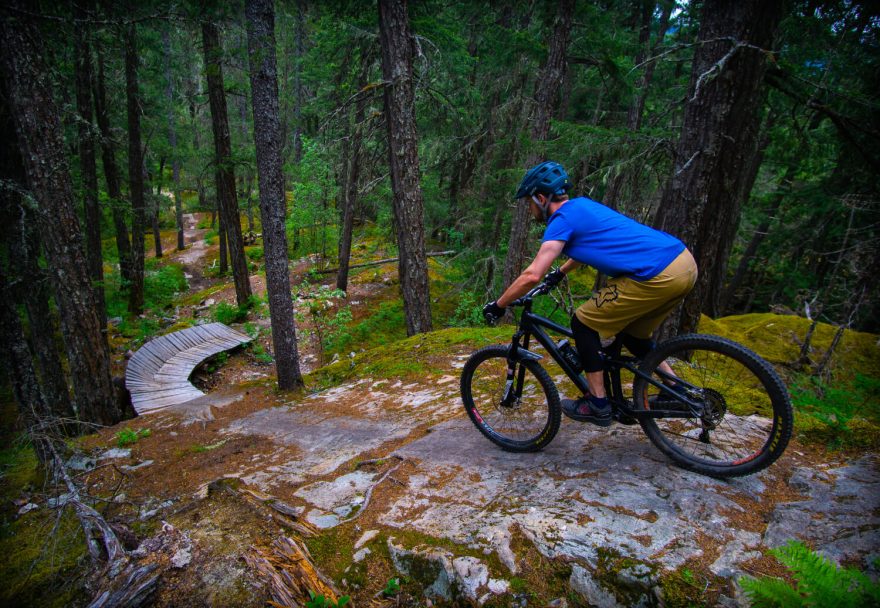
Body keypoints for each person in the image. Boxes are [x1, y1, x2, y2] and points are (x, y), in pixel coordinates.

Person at [483, 161, 697, 427]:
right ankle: (676, 390)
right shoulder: (582, 206)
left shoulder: (560, 220)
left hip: (656, 274)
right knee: (633, 335)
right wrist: (560, 273)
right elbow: (594, 241)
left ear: (540, 198)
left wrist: (499, 305)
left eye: (529, 202)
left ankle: (597, 403)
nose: (529, 209)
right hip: (683, 263)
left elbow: (532, 275)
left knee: (583, 323)